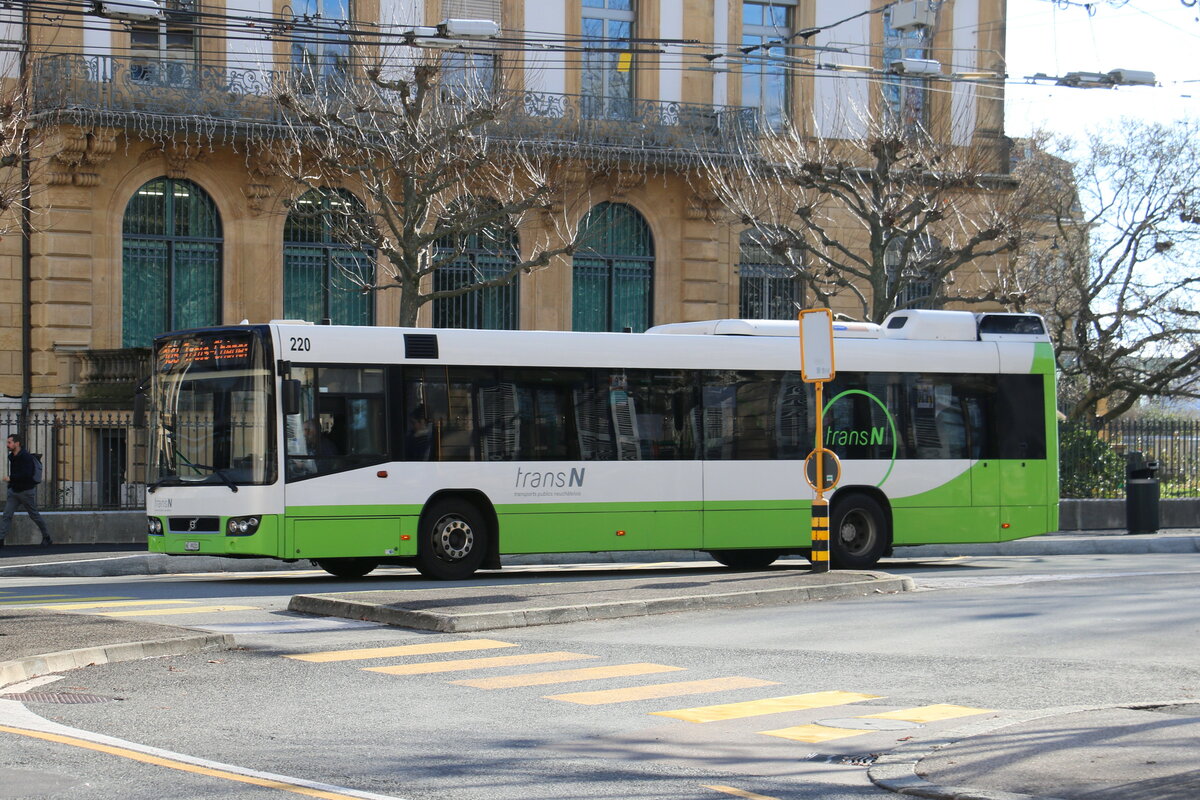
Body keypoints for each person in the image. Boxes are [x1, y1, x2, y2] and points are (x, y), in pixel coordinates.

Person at [1, 433, 52, 548]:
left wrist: (11, 478)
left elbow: (27, 475)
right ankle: (0, 539)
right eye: (7, 442)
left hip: (26, 492)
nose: (7, 445)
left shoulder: (26, 457)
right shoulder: (12, 457)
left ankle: (47, 537)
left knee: (34, 515)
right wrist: (11, 483)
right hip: (14, 491)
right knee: (6, 515)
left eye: (9, 442)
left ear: (17, 443)